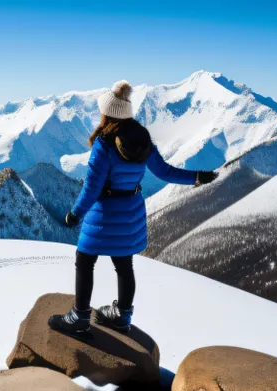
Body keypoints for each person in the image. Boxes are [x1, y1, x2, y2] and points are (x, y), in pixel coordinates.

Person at [48, 80, 218, 337]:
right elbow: (165, 172)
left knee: (85, 259)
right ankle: (122, 316)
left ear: (108, 112)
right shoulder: (142, 138)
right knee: (124, 264)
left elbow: (92, 188)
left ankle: (80, 317)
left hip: (104, 212)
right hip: (131, 211)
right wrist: (196, 177)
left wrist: (75, 213)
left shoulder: (103, 144)